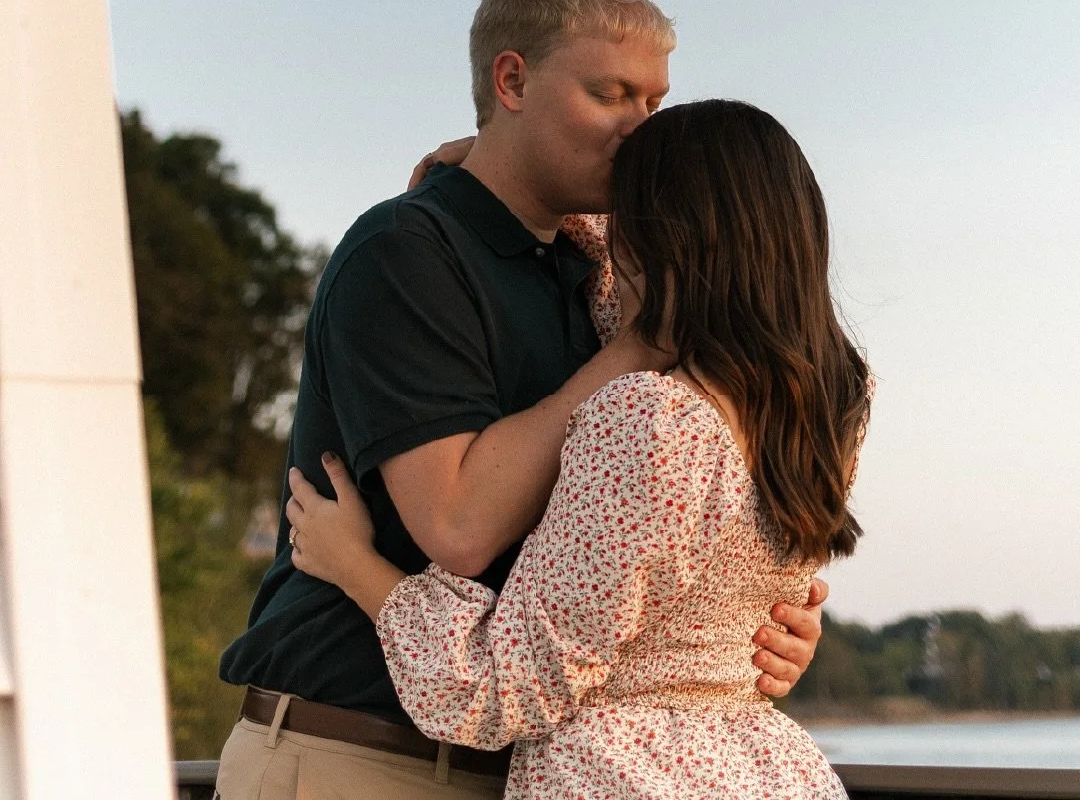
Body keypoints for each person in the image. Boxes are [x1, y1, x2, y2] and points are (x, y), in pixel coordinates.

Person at [216, 0, 826, 799]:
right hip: (363, 756)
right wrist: (636, 349)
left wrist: (750, 629)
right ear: (512, 80)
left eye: (653, 103)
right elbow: (459, 528)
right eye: (611, 94)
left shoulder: (606, 274)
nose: (641, 129)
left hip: (526, 757)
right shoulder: (409, 253)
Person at [286, 99, 871, 799]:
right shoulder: (831, 405)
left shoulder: (651, 423)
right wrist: (494, 159)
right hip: (766, 773)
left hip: (626, 776)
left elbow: (499, 688)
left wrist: (354, 565)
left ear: (663, 237)